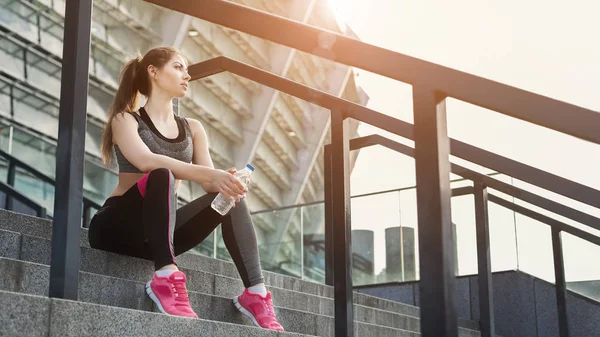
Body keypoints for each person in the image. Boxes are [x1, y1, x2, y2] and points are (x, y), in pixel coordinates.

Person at [87, 46, 284, 331]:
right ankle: (166, 278)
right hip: (116, 227)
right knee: (161, 174)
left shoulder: (193, 128)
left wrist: (224, 180)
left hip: (158, 235)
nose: (187, 75)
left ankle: (256, 294)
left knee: (230, 196)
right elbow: (146, 161)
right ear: (153, 72)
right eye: (179, 67)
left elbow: (207, 183)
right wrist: (211, 174)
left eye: (187, 69)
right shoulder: (125, 119)